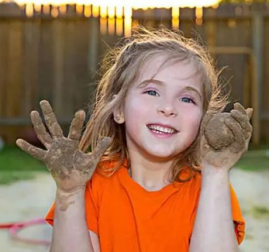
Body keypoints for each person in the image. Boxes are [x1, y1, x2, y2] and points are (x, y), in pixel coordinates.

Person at [16, 29, 253, 252]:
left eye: (187, 99)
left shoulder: (209, 186)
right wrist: (69, 194)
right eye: (152, 92)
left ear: (202, 119)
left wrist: (216, 171)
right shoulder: (92, 184)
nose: (168, 107)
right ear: (118, 109)